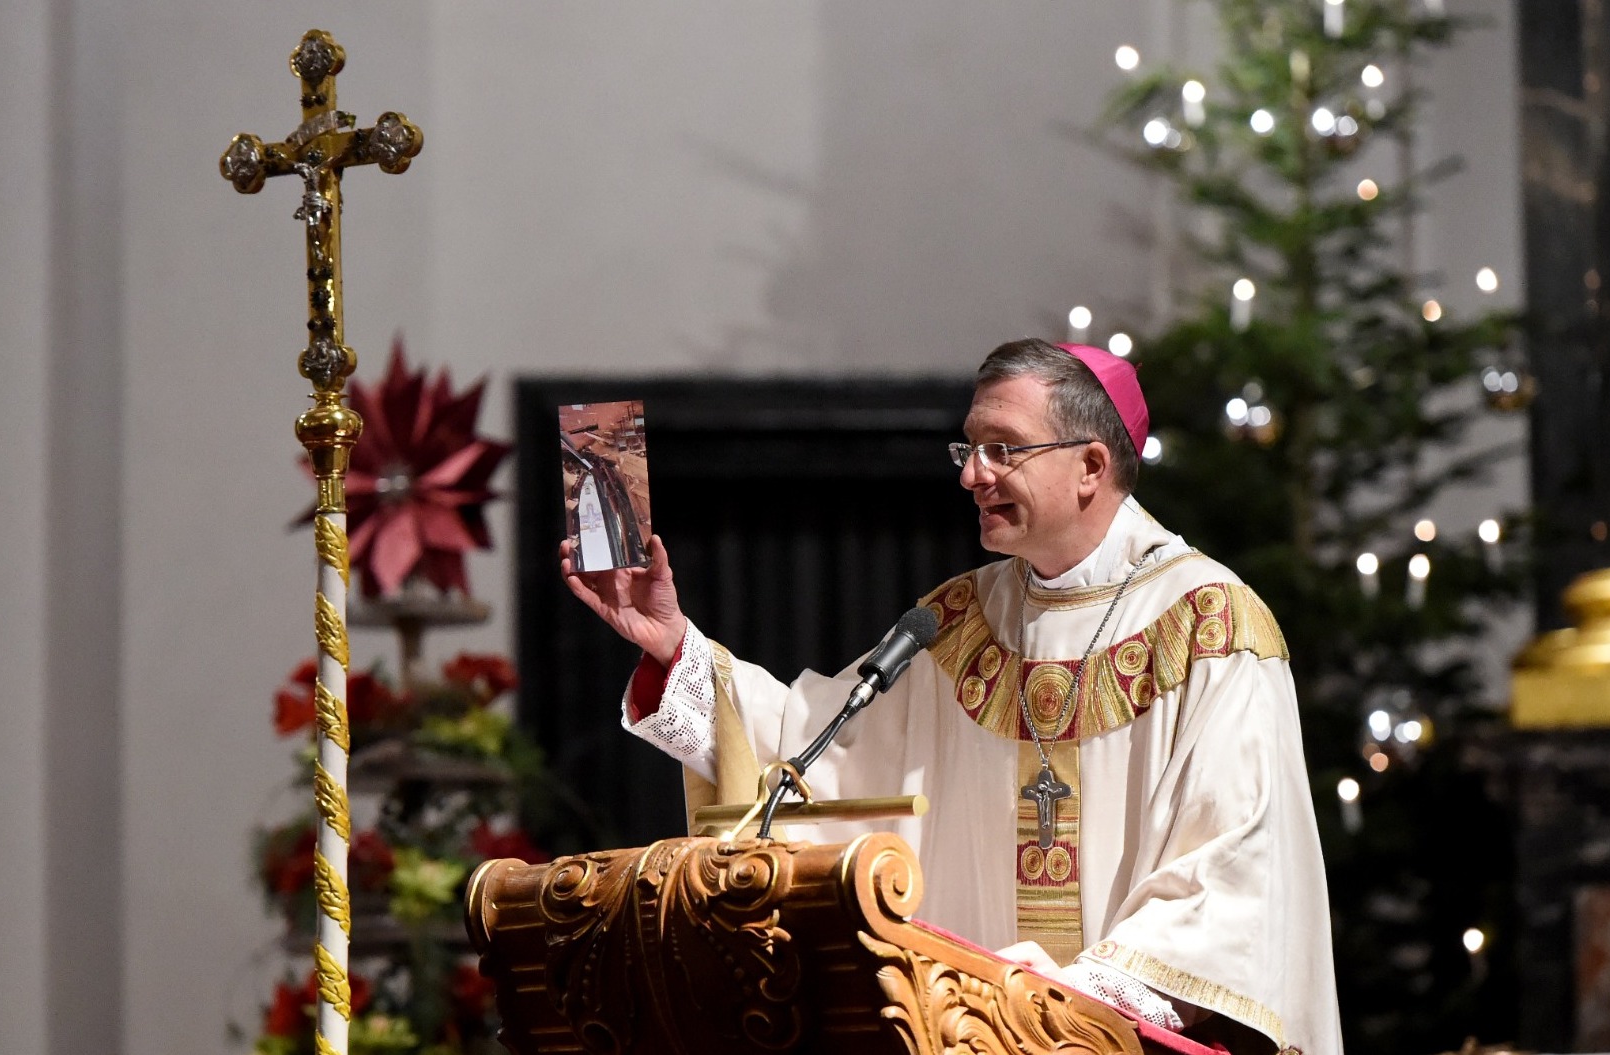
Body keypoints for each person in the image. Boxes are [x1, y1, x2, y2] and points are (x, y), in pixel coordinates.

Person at [560, 338, 1341, 1055]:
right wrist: (671, 644)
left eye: (1003, 449)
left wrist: (1072, 997)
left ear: (1092, 466)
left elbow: (1237, 870)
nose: (971, 473)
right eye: (969, 447)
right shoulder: (959, 620)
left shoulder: (1208, 625)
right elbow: (810, 756)